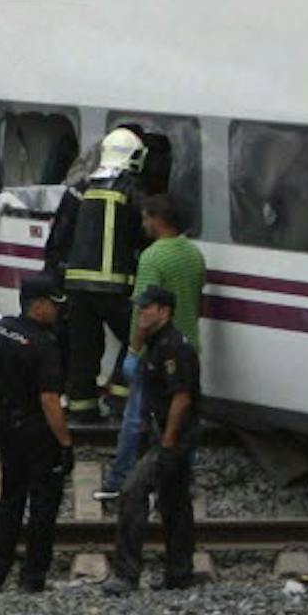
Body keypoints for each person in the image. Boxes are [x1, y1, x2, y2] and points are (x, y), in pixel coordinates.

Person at [99, 194, 206, 498]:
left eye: (146, 217)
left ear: (158, 220)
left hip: (157, 352)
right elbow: (198, 299)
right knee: (184, 416)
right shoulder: (194, 254)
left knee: (136, 419)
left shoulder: (152, 257)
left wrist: (134, 352)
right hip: (189, 345)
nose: (143, 223)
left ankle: (118, 480)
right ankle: (182, 478)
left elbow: (142, 315)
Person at [102, 285, 200, 595]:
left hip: (171, 439)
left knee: (133, 493)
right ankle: (179, 572)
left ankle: (126, 574)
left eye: (147, 308)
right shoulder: (157, 343)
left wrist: (168, 440)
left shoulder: (174, 347)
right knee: (174, 504)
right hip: (163, 436)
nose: (141, 313)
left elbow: (181, 397)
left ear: (164, 311)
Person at [0, 275, 74, 593]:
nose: (58, 312)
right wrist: (65, 442)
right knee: (43, 505)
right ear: (38, 305)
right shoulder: (45, 345)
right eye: (53, 304)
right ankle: (33, 577)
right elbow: (49, 400)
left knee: (9, 500)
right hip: (37, 432)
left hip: (7, 424)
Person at [45, 126, 148, 417]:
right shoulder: (131, 190)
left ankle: (82, 407)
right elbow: (144, 233)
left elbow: (58, 240)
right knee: (137, 337)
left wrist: (55, 279)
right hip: (114, 288)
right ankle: (119, 396)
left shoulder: (80, 188)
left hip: (76, 287)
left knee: (83, 350)